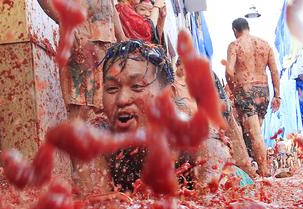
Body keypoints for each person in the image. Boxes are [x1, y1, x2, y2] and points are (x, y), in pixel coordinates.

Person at [98, 40, 230, 192]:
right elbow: (94, 200)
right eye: (112, 89)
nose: (122, 100)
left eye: (137, 86)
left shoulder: (201, 144)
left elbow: (211, 203)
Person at [37, 0, 126, 189]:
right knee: (80, 113)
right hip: (81, 42)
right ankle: (82, 184)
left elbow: (111, 7)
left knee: (107, 113)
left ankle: (106, 183)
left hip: (107, 46)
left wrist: (123, 38)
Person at [225, 17, 280, 177]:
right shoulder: (265, 44)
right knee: (256, 133)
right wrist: (278, 95)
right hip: (263, 90)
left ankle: (264, 171)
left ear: (235, 30)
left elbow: (229, 72)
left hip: (246, 90)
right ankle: (258, 167)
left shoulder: (235, 45)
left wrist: (234, 91)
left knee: (254, 134)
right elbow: (274, 71)